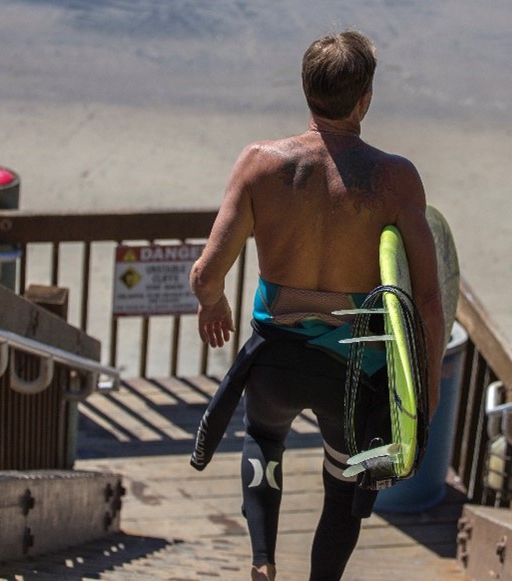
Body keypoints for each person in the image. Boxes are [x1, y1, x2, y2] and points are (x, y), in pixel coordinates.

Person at [189, 30, 444, 581]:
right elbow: (425, 300)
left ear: (306, 90)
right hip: (353, 372)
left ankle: (262, 559)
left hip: (275, 359)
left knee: (263, 437)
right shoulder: (396, 180)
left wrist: (213, 305)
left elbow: (207, 272)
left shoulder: (260, 164)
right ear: (365, 99)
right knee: (342, 481)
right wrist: (427, 392)